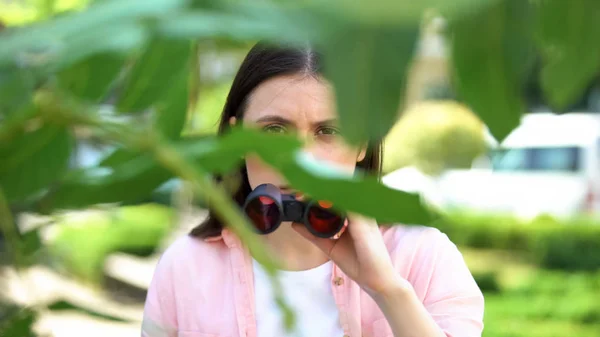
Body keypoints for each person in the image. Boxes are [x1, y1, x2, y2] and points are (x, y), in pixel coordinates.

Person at [142, 41, 484, 337]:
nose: (303, 160)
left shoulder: (426, 259)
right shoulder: (183, 268)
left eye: (329, 132)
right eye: (274, 130)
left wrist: (387, 289)